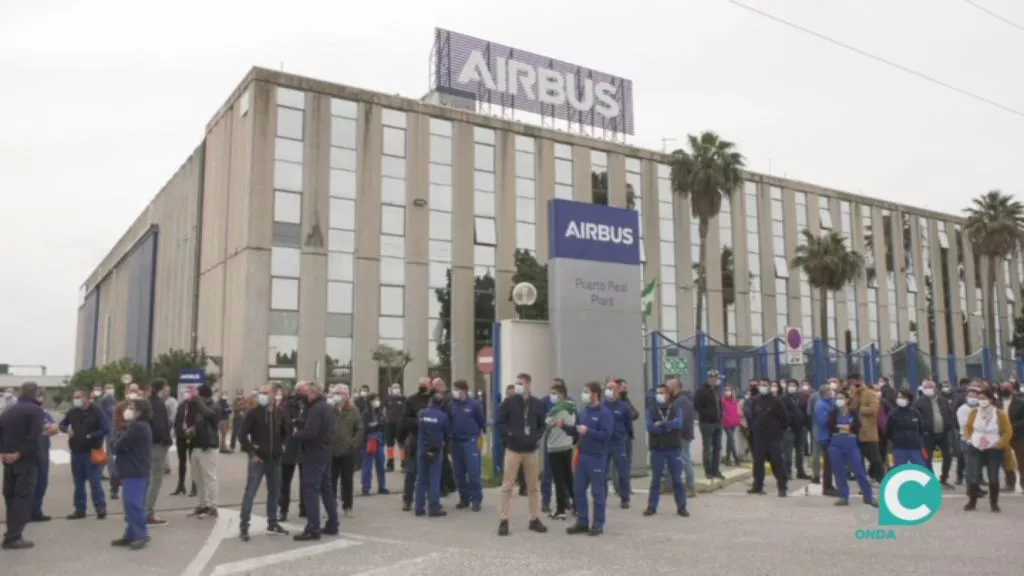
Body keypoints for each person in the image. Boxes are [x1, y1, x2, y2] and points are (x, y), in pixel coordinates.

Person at [495, 373, 548, 536]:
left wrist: (536, 436)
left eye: (520, 383)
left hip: (531, 450)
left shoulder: (538, 404)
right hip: (513, 450)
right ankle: (503, 520)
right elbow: (499, 421)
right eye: (516, 383)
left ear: (528, 385)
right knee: (507, 486)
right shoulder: (509, 402)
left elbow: (542, 424)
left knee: (533, 487)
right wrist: (510, 433)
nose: (517, 386)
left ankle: (534, 518)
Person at [237, 384, 291, 541]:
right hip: (258, 460)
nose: (262, 395)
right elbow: (242, 435)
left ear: (274, 395)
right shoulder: (253, 413)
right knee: (250, 493)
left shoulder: (281, 414)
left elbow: (287, 434)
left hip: (274, 460)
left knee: (274, 492)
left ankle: (272, 522)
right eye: (261, 392)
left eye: (266, 393)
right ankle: (244, 526)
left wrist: (283, 446)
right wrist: (252, 453)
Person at [1, 382, 45, 549]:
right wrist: (19, 453)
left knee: (10, 496)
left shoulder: (9, 411)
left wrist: (3, 453)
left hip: (8, 460)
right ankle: (13, 537)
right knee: (23, 497)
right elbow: (34, 437)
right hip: (26, 460)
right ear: (35, 394)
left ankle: (10, 532)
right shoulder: (36, 411)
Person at [564, 382, 613, 536]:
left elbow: (606, 435)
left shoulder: (604, 413)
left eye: (586, 391)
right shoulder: (583, 412)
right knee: (578, 491)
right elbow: (577, 431)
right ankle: (582, 521)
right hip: (582, 456)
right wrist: (564, 426)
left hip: (596, 457)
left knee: (597, 492)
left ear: (596, 394)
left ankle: (598, 524)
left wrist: (589, 431)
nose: (584, 394)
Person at [293, 383, 340, 541]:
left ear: (313, 394)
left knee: (311, 490)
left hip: (313, 454)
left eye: (308, 392)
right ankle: (333, 523)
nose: (306, 395)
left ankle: (313, 527)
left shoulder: (315, 409)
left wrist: (296, 434)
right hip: (326, 453)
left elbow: (311, 432)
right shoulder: (328, 407)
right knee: (327, 490)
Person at [59, 387, 111, 519]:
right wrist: (66, 429)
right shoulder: (73, 411)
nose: (75, 400)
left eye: (78, 397)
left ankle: (100, 508)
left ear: (87, 398)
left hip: (92, 451)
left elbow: (106, 428)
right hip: (76, 451)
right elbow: (62, 424)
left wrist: (92, 436)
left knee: (95, 481)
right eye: (75, 397)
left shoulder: (97, 411)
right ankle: (80, 509)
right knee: (78, 483)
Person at [111, 399, 153, 550]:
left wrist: (116, 438)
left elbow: (118, 445)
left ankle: (141, 535)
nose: (127, 410)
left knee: (134, 505)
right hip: (132, 470)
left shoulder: (138, 427)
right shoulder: (134, 426)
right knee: (130, 505)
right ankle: (131, 534)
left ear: (139, 412)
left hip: (136, 471)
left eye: (131, 408)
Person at [963, 388, 1013, 512]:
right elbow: (968, 427)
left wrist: (1000, 444)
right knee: (973, 475)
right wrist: (969, 439)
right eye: (979, 399)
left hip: (993, 447)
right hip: (976, 446)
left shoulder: (1000, 413)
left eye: (984, 398)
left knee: (993, 476)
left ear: (991, 399)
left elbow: (1008, 431)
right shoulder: (974, 412)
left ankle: (994, 504)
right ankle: (972, 502)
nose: (981, 401)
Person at [643, 383, 689, 517]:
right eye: (658, 393)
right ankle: (652, 506)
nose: (659, 395)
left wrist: (662, 425)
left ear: (668, 395)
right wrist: (668, 425)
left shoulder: (676, 408)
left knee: (677, 479)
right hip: (657, 448)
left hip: (673, 448)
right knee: (655, 479)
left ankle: (681, 506)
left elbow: (678, 423)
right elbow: (650, 427)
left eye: (662, 393)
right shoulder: (651, 410)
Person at [827, 388, 877, 507]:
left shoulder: (854, 413)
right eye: (837, 398)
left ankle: (868, 496)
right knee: (839, 472)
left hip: (851, 444)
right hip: (836, 444)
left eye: (841, 398)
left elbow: (856, 427)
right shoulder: (833, 413)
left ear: (847, 400)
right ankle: (843, 496)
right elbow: (831, 427)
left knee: (859, 471)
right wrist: (845, 427)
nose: (839, 400)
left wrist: (842, 427)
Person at [185, 384, 221, 518]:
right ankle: (202, 504)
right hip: (196, 445)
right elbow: (196, 420)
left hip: (208, 446)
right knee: (198, 478)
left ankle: (213, 505)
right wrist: (192, 428)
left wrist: (197, 400)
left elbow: (208, 414)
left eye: (199, 395)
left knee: (210, 478)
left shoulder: (215, 406)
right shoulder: (198, 406)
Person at [747, 380, 788, 496]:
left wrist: (779, 429)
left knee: (777, 461)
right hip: (759, 436)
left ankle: (782, 487)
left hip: (773, 436)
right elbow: (752, 416)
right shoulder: (756, 400)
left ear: (769, 387)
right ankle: (757, 486)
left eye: (765, 385)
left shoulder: (776, 401)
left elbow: (784, 419)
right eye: (761, 385)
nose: (762, 387)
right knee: (758, 462)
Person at [398, 378, 433, 512]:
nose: (421, 386)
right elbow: (405, 420)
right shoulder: (411, 400)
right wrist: (421, 421)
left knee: (430, 473)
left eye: (424, 384)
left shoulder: (434, 399)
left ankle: (431, 500)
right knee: (411, 471)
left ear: (430, 385)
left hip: (431, 441)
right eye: (420, 384)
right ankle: (407, 500)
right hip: (415, 440)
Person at [449, 380, 485, 511]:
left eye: (457, 389)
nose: (455, 392)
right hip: (456, 442)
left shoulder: (474, 404)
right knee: (459, 472)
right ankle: (464, 498)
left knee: (473, 471)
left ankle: (476, 499)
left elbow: (481, 421)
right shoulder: (452, 404)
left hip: (470, 441)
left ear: (463, 390)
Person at [414, 393, 451, 517]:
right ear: (441, 404)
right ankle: (433, 507)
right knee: (434, 479)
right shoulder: (443, 417)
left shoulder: (421, 413)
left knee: (421, 478)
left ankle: (419, 507)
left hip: (422, 447)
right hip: (436, 448)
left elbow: (418, 427)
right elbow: (447, 434)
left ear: (430, 401)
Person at [544, 381, 575, 520]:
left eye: (554, 393)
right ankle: (577, 506)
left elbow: (547, 422)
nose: (552, 396)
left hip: (555, 447)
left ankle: (560, 510)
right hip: (567, 446)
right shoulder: (572, 407)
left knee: (558, 480)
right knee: (569, 478)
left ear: (561, 394)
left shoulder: (556, 409)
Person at [330, 386, 364, 517]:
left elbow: (360, 429)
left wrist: (353, 443)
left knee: (347, 481)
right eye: (335, 393)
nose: (337, 396)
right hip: (332, 451)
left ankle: (347, 506)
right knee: (331, 480)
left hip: (347, 451)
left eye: (339, 393)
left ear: (346, 395)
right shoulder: (330, 409)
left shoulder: (353, 410)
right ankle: (330, 506)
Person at [913, 379, 954, 487]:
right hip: (928, 434)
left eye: (930, 387)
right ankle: (930, 479)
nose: (928, 390)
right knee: (927, 457)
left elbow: (950, 414)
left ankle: (944, 478)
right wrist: (923, 427)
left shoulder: (943, 400)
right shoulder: (919, 402)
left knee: (948, 455)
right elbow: (916, 417)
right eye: (926, 387)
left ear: (935, 388)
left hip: (943, 433)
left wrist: (949, 424)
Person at [145, 379, 173, 526]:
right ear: (161, 388)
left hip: (147, 445)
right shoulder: (159, 404)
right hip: (158, 445)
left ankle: (141, 510)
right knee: (156, 480)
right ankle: (148, 513)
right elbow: (160, 425)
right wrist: (166, 441)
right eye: (166, 387)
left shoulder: (147, 402)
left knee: (147, 479)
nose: (167, 390)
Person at [603, 379, 634, 508]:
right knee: (602, 472)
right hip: (604, 444)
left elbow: (628, 424)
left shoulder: (624, 406)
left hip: (619, 443)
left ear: (617, 391)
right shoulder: (602, 406)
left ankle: (625, 498)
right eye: (607, 389)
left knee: (623, 471)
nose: (609, 392)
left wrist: (622, 435)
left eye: (612, 389)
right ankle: (601, 497)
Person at [847, 373, 883, 483]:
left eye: (854, 382)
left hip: (868, 431)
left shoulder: (869, 393)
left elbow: (874, 409)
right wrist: (853, 396)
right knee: (859, 459)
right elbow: (850, 407)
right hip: (856, 431)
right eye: (851, 383)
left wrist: (860, 409)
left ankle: (881, 479)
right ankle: (863, 482)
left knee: (875, 459)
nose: (853, 385)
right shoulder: (854, 394)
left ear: (860, 381)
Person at [280, 384, 308, 522]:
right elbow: (284, 424)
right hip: (289, 447)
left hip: (304, 447)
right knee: (285, 481)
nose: (306, 392)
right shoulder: (287, 405)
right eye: (304, 390)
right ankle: (283, 509)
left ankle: (305, 508)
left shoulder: (310, 406)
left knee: (305, 481)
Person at [30, 389, 58, 523]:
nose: (40, 398)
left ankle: (36, 511)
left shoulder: (45, 413)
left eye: (41, 396)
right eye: (37, 396)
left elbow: (54, 428)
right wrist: (44, 428)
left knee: (42, 482)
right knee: (29, 483)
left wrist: (46, 429)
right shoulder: (28, 412)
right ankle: (25, 512)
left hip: (43, 452)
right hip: (30, 453)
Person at [693, 370, 724, 481]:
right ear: (709, 378)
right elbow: (697, 406)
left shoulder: (716, 391)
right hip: (707, 423)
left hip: (717, 423)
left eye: (716, 377)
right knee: (708, 448)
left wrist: (721, 415)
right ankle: (708, 471)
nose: (715, 379)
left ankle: (716, 470)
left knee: (718, 447)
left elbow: (719, 405)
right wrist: (708, 414)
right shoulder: (702, 391)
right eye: (713, 377)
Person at [887, 389, 926, 467]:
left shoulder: (915, 413)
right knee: (899, 469)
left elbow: (921, 429)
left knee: (921, 468)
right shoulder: (893, 413)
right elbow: (889, 431)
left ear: (909, 399)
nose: (900, 399)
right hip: (899, 447)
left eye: (903, 397)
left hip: (915, 446)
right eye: (899, 397)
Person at [361, 392, 388, 496]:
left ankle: (382, 486)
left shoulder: (380, 412)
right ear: (370, 401)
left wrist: (376, 425)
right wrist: (375, 425)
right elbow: (366, 427)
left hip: (379, 440)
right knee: (367, 465)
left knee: (381, 464)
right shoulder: (366, 413)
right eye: (375, 400)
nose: (377, 402)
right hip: (369, 440)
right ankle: (366, 487)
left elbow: (383, 424)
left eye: (378, 400)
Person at [171, 386, 196, 497]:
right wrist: (176, 432)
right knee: (182, 462)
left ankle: (194, 487)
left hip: (192, 437)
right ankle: (181, 485)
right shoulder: (181, 405)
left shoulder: (196, 406)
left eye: (188, 393)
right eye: (185, 393)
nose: (186, 395)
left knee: (193, 462)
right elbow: (177, 420)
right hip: (181, 437)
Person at [813, 384, 837, 497]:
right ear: (824, 393)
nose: (831, 392)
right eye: (829, 391)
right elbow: (823, 420)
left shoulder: (831, 402)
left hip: (832, 436)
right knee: (828, 463)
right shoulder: (820, 405)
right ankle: (826, 486)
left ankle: (829, 485)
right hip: (825, 437)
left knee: (831, 462)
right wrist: (833, 417)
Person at [782, 379, 809, 480]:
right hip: (789, 429)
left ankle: (800, 471)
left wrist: (806, 425)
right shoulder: (783, 399)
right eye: (790, 385)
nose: (791, 387)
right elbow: (781, 414)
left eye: (794, 385)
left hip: (800, 428)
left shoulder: (801, 399)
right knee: (788, 452)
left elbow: (806, 413)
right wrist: (785, 425)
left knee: (800, 452)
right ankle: (787, 472)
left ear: (797, 388)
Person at [1006, 383, 1024, 493]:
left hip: (1018, 435)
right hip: (1000, 435)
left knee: (1021, 461)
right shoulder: (995, 402)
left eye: (1007, 388)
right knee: (1005, 460)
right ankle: (1009, 482)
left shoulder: (1020, 403)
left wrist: (1012, 426)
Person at [384, 383, 405, 472]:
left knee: (402, 445)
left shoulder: (404, 398)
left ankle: (404, 465)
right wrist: (387, 420)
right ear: (391, 389)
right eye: (394, 387)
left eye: (397, 387)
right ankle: (390, 464)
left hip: (400, 425)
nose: (396, 389)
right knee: (390, 446)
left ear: (400, 388)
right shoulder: (388, 398)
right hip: (390, 425)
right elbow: (384, 410)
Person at [721, 385, 741, 466]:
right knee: (731, 440)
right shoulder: (722, 401)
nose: (727, 391)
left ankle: (727, 459)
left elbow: (737, 412)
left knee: (729, 441)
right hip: (726, 423)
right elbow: (723, 413)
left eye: (729, 390)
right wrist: (727, 418)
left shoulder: (735, 401)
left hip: (734, 423)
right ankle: (736, 459)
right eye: (726, 390)